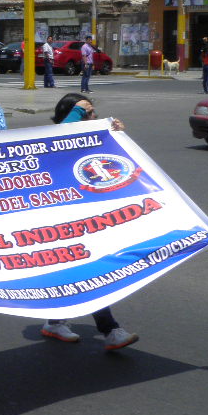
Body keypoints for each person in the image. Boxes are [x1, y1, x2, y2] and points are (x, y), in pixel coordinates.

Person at [38, 94, 140, 350]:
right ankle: (110, 329)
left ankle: (55, 320)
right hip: (61, 218)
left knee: (84, 270)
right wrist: (76, 113)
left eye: (92, 113)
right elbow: (58, 138)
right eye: (88, 113)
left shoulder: (91, 136)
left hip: (90, 216)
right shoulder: (52, 138)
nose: (93, 117)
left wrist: (116, 134)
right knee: (89, 271)